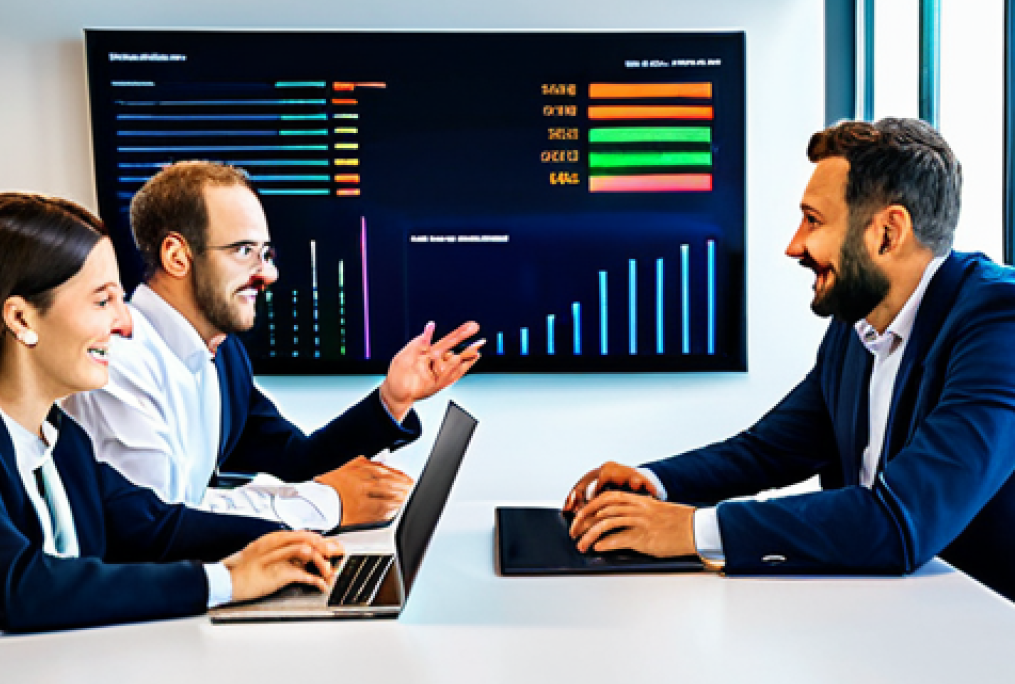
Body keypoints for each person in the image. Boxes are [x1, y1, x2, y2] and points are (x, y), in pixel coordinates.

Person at [565, 117, 1015, 601]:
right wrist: (655, 485)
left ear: (888, 233)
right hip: (883, 609)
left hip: (981, 628)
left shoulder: (999, 321)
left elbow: (900, 521)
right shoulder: (859, 321)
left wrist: (691, 530)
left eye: (813, 220)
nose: (794, 245)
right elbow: (770, 450)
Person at [65, 161, 483, 532]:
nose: (268, 274)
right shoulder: (116, 361)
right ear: (177, 256)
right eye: (244, 251)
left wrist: (393, 398)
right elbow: (156, 524)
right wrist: (326, 505)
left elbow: (295, 460)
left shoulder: (222, 355)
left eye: (265, 253)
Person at [0, 193, 342, 633]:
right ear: (21, 320)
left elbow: (152, 524)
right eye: (102, 301)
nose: (125, 324)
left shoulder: (61, 439)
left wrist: (288, 544)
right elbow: (20, 587)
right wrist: (226, 581)